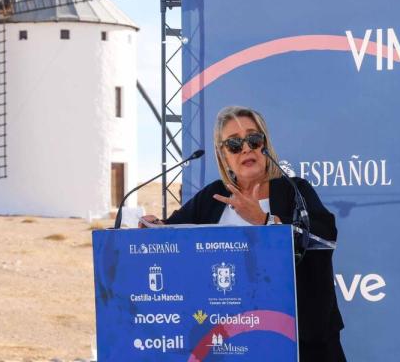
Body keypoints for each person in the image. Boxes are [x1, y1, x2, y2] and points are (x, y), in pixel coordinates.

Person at [141, 105, 346, 361]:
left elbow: (323, 240)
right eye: (234, 144)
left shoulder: (294, 190)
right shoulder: (214, 196)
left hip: (299, 339)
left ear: (265, 144)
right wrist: (153, 227)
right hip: (232, 341)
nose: (246, 148)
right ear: (223, 155)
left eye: (253, 139)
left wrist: (264, 221)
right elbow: (174, 238)